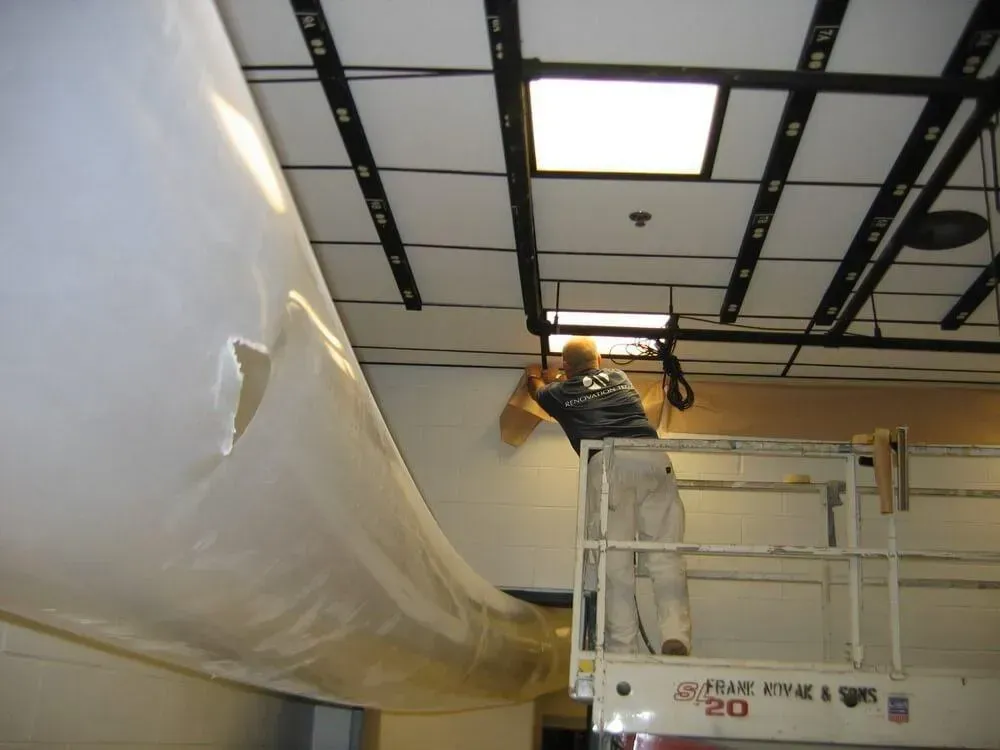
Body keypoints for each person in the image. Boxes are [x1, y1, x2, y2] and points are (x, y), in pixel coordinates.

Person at [526, 336, 691, 656]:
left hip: (609, 466)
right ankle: (676, 634)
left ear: (566, 366)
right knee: (666, 555)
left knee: (615, 565)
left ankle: (622, 649)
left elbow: (536, 388)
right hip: (654, 459)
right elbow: (586, 379)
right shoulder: (620, 377)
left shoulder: (559, 393)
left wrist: (537, 374)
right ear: (599, 360)